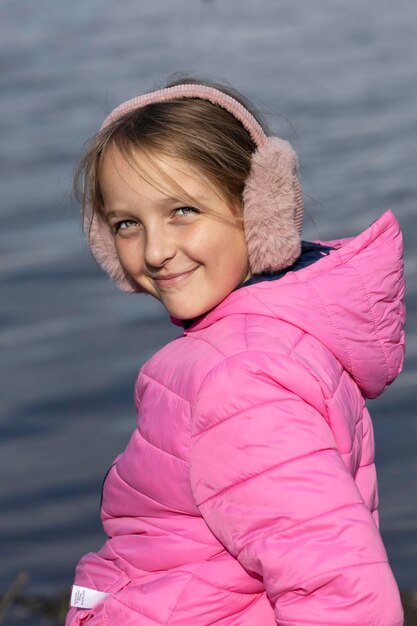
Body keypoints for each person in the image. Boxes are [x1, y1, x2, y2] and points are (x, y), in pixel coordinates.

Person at [66, 77, 405, 626]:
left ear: (260, 206)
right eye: (127, 224)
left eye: (182, 211)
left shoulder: (238, 380)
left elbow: (345, 597)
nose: (154, 251)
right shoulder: (271, 339)